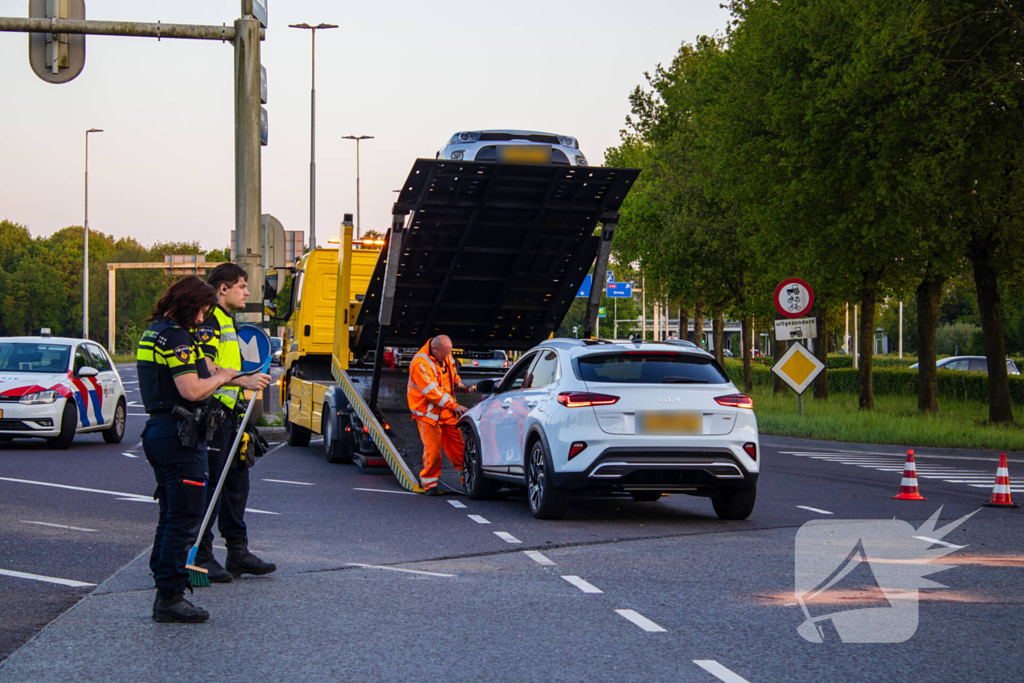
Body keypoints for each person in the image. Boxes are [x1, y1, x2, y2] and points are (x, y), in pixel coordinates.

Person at [138, 275, 237, 623]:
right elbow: (192, 390)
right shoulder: (177, 338)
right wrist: (223, 378)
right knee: (184, 518)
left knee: (170, 514)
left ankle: (164, 584)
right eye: (203, 309)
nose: (203, 317)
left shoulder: (156, 332)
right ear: (190, 303)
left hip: (160, 430)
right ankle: (171, 596)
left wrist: (221, 372)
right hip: (180, 434)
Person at [192, 263, 274, 583]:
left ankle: (237, 552)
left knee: (236, 482)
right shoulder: (211, 318)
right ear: (223, 289)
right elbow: (206, 366)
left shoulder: (227, 320)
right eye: (242, 285)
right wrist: (245, 381)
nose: (248, 292)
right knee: (211, 486)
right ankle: (201, 555)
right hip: (213, 413)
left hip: (229, 414)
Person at [406, 335, 469, 495]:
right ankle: (429, 485)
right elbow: (431, 393)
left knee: (459, 449)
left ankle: (468, 480)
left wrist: (457, 383)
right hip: (428, 413)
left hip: (445, 411)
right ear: (434, 349)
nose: (446, 357)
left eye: (448, 353)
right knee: (433, 452)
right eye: (443, 354)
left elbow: (451, 372)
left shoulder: (444, 353)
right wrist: (454, 405)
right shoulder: (421, 363)